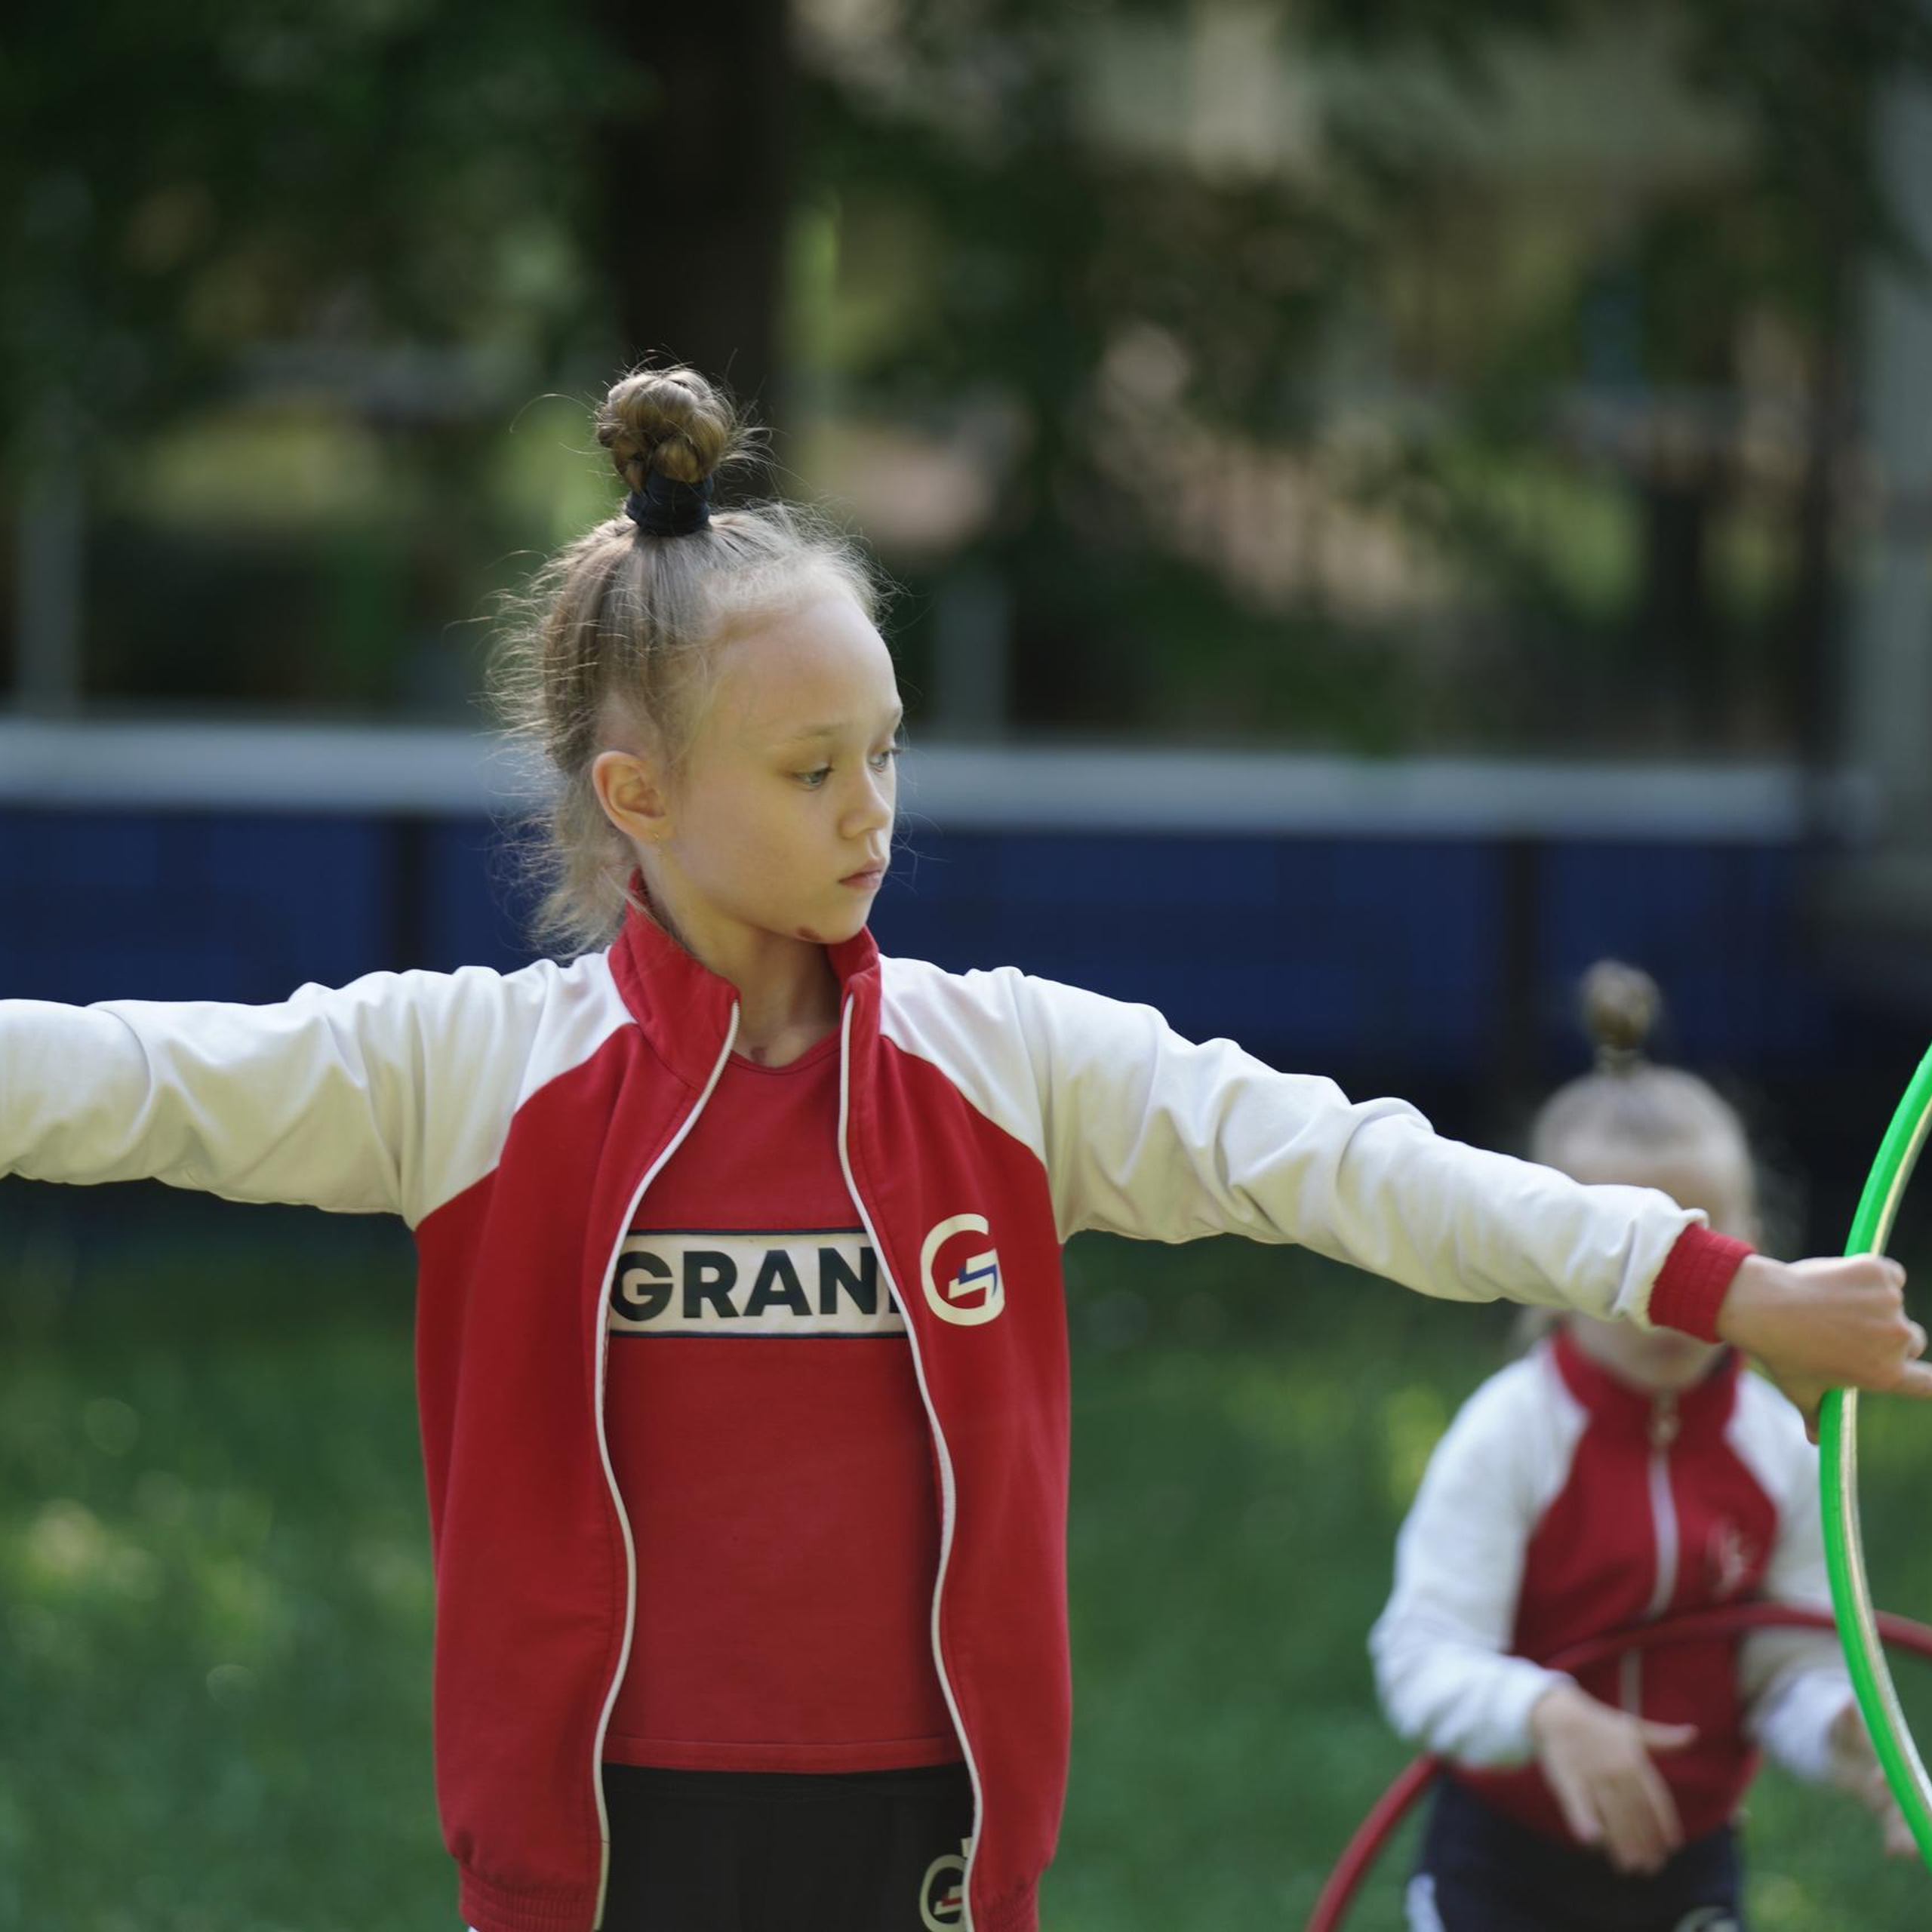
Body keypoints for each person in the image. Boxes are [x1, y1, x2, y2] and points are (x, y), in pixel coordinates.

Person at [2, 369, 1925, 1932]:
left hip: (921, 1833)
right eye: (808, 768)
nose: (870, 811)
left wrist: (1708, 1279)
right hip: (596, 1855)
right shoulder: (468, 1074)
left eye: (886, 750)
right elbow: (121, 1077)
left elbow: (1346, 1163)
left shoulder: (1005, 1063)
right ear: (638, 796)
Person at [1370, 961, 1916, 1932]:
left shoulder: (1776, 1441)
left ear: (1753, 1241)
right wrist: (1546, 1714)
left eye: (1701, 1238)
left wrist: (1839, 1726)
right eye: (1633, 1247)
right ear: (1547, 1256)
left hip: (1688, 1860)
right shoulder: (1513, 1434)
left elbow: (1780, 1664)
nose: (1668, 1287)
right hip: (1505, 1863)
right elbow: (1422, 1656)